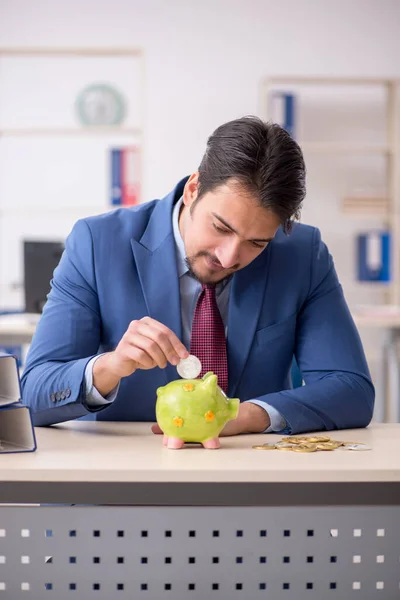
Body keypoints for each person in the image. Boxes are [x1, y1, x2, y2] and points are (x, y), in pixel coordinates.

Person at [21, 116, 374, 437]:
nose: (229, 256)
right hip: (122, 483)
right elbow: (33, 394)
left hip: (251, 476)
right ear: (193, 189)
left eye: (256, 243)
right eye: (220, 227)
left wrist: (247, 416)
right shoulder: (98, 243)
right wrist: (110, 366)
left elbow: (351, 389)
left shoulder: (302, 253)